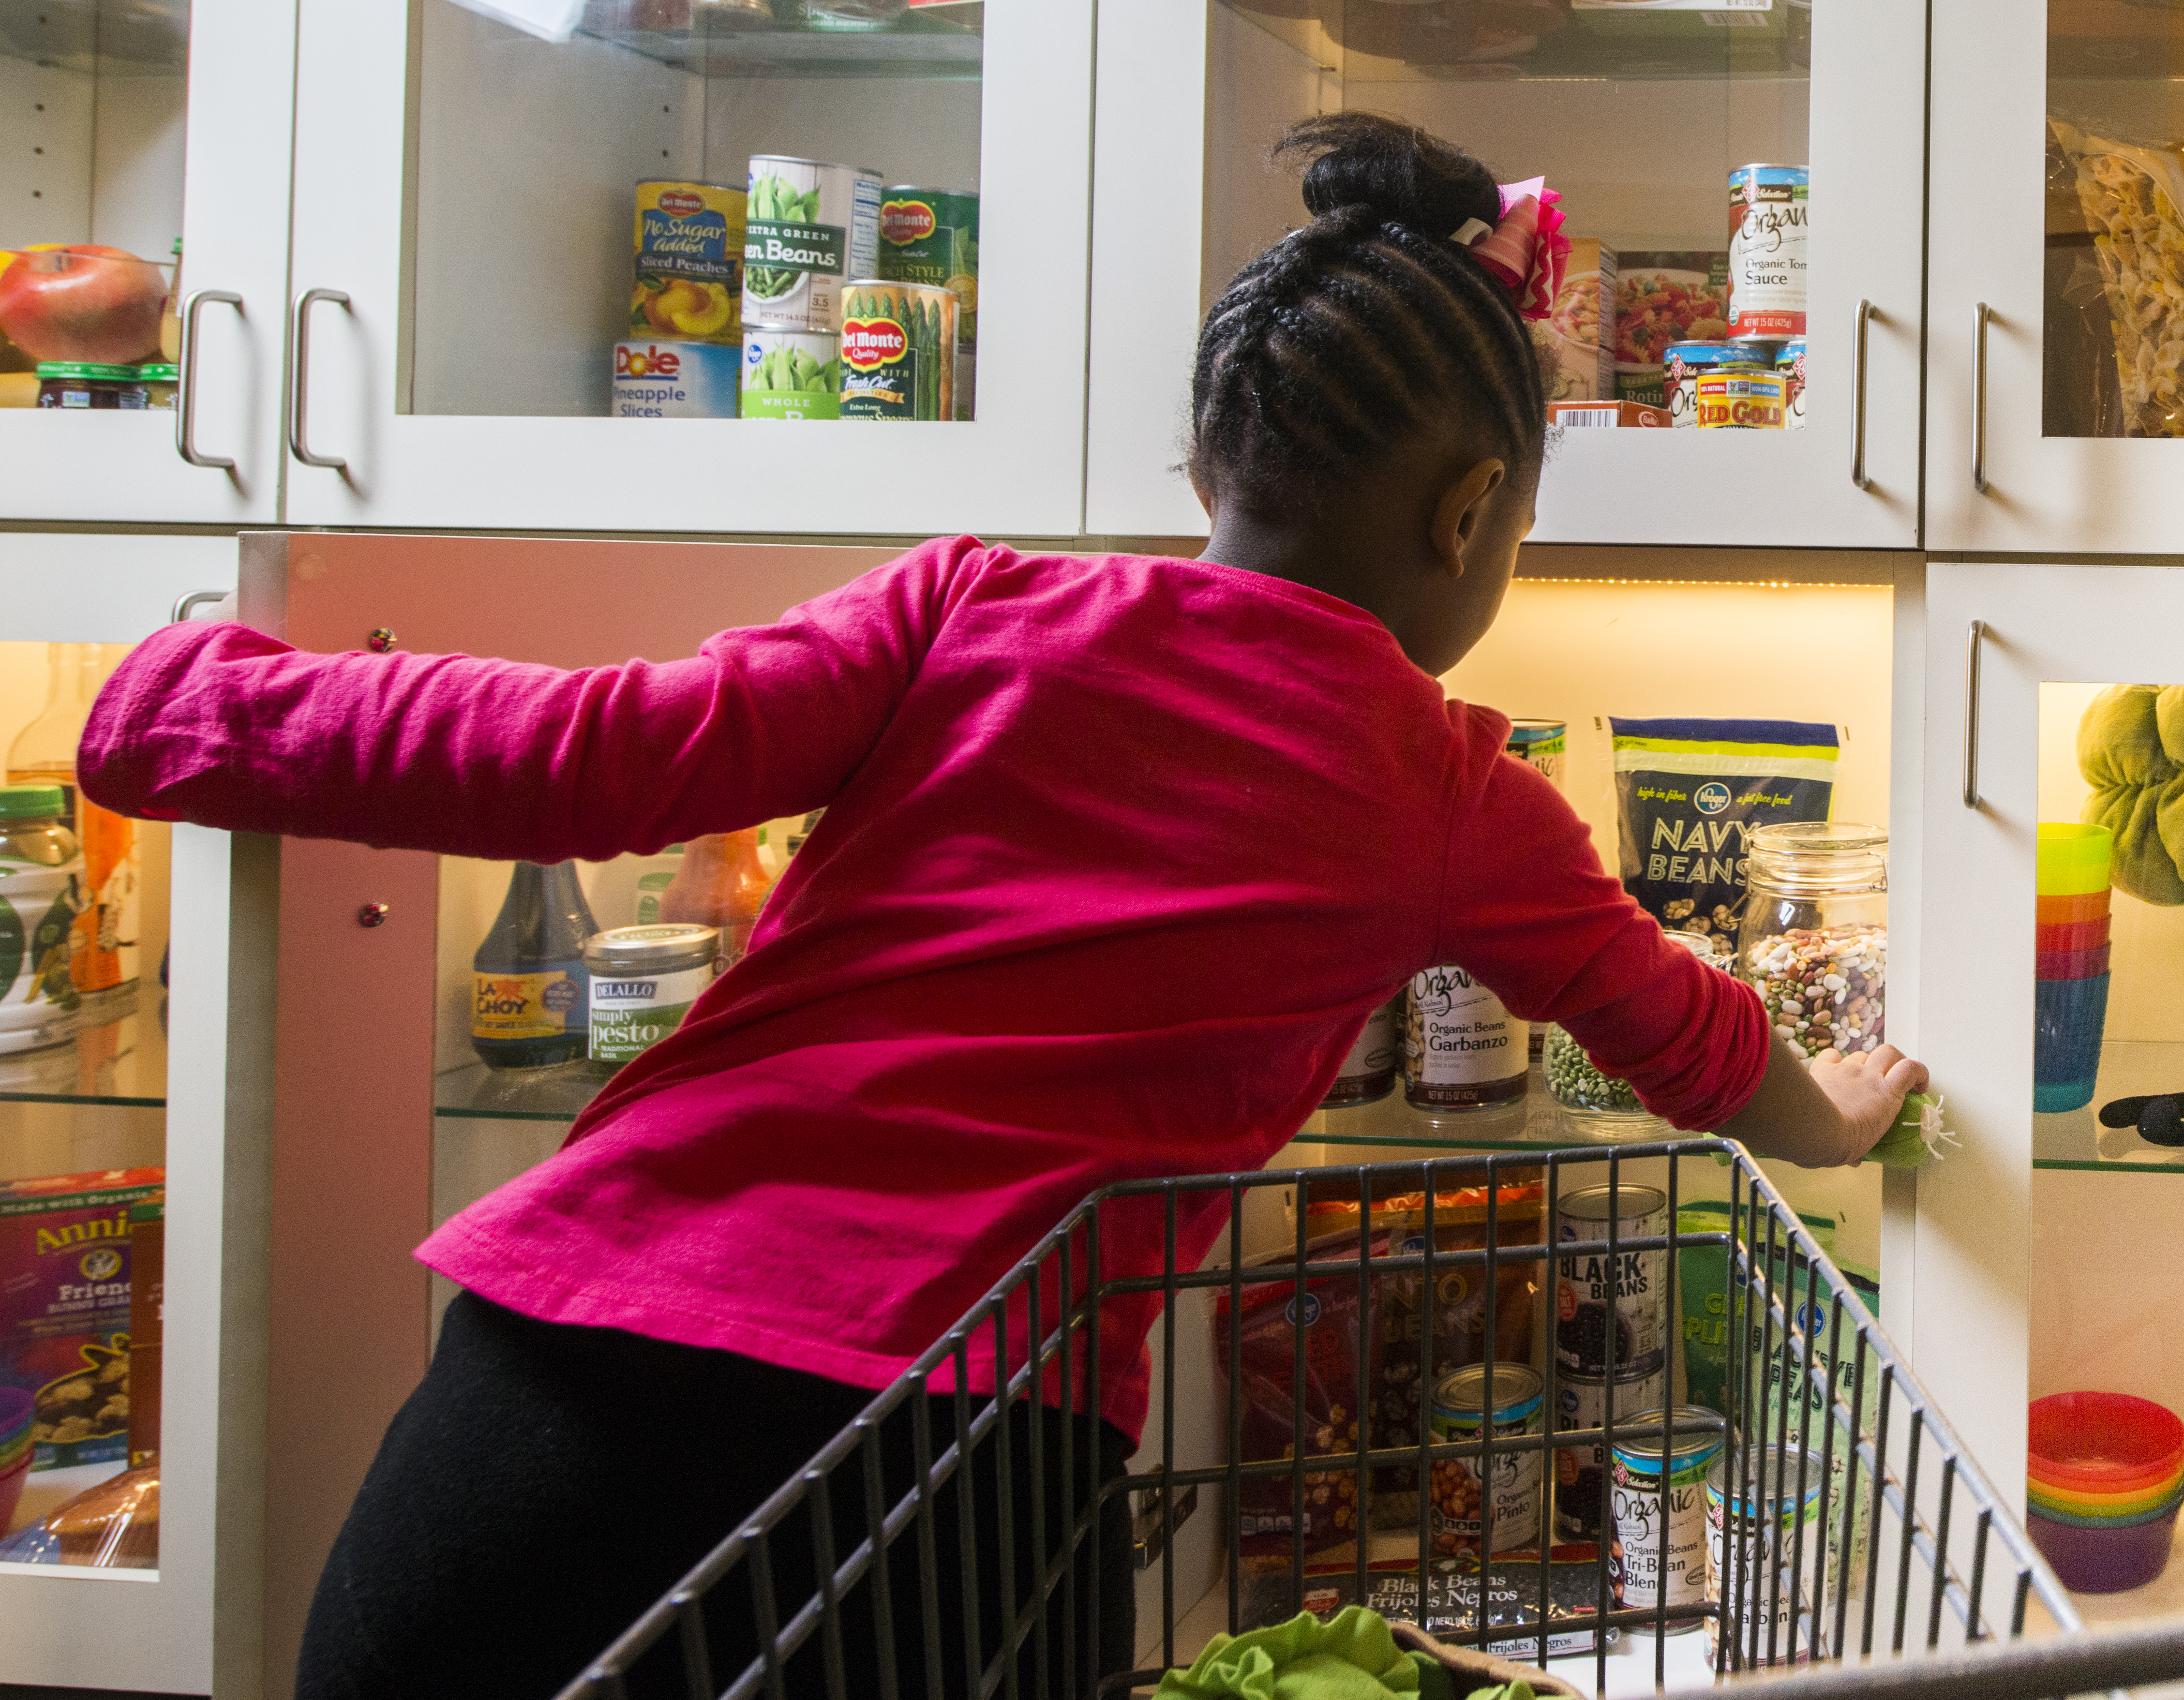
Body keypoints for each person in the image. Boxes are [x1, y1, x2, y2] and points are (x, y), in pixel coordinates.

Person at [79, 112, 1927, 1700]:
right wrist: (1826, 1117)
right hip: (951, 1444)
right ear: (1470, 517)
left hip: (583, 1349)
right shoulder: (1451, 795)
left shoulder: (966, 601)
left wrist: (196, 702)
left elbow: (592, 759)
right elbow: (1668, 1027)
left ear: (1203, 472)